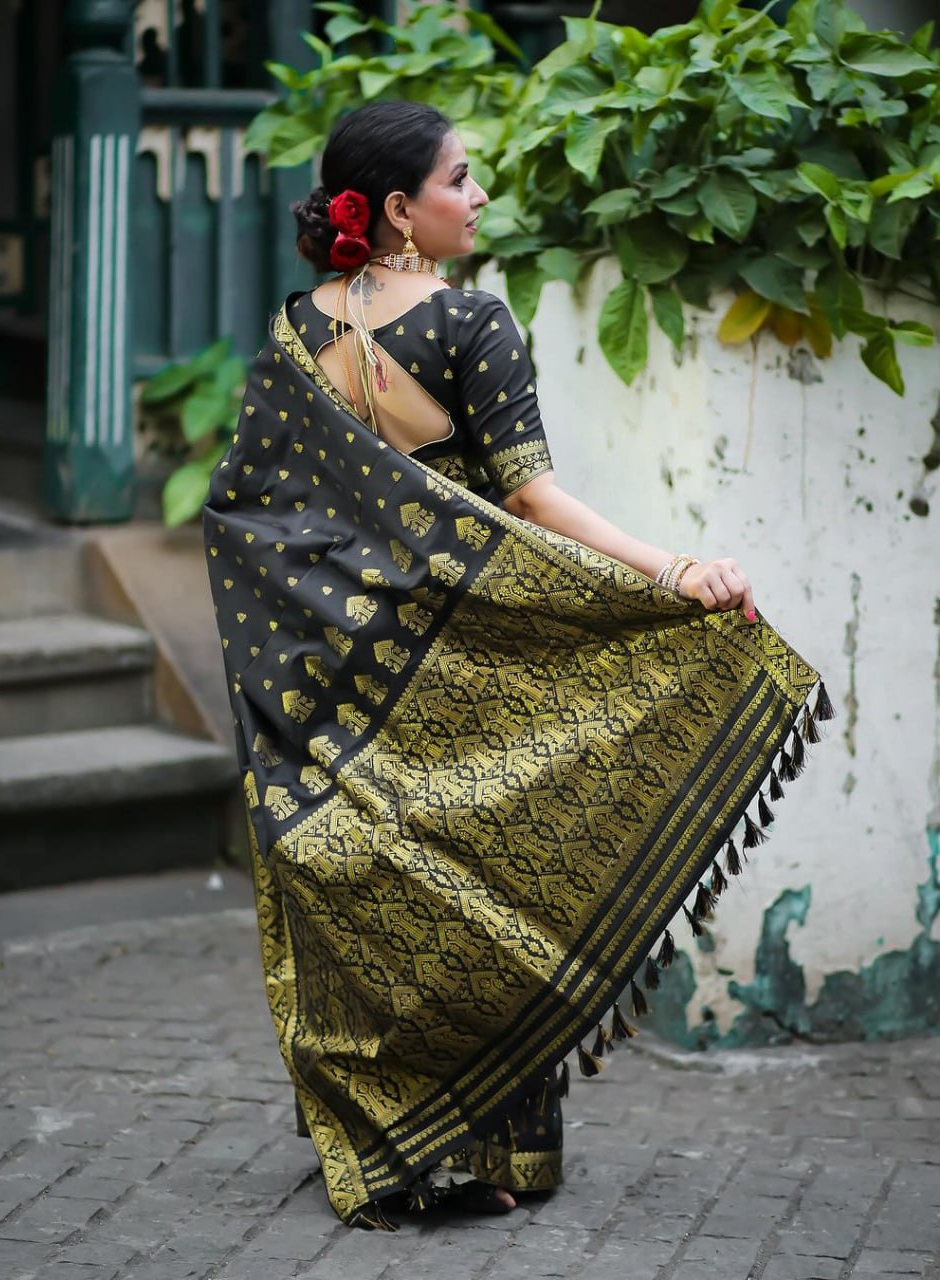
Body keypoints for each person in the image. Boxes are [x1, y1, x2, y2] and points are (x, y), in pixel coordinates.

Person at [204, 100, 829, 1230]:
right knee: (503, 887)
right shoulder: (469, 322)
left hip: (338, 673)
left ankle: (384, 1149)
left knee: (378, 895)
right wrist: (673, 571)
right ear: (398, 209)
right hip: (464, 660)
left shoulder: (297, 330)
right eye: (459, 178)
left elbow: (246, 516)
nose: (479, 196)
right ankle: (491, 1152)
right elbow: (532, 498)